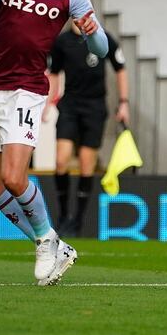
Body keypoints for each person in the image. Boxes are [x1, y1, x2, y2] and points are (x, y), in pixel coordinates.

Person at [0, 0, 108, 286]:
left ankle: (47, 241)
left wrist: (91, 30)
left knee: (14, 177)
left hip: (27, 89)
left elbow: (102, 46)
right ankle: (49, 240)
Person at [44, 24, 129, 236]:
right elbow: (53, 73)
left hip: (95, 107)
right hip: (70, 105)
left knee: (85, 163)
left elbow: (120, 68)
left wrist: (124, 102)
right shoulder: (62, 41)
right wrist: (46, 102)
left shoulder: (102, 38)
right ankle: (63, 215)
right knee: (61, 160)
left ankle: (78, 221)